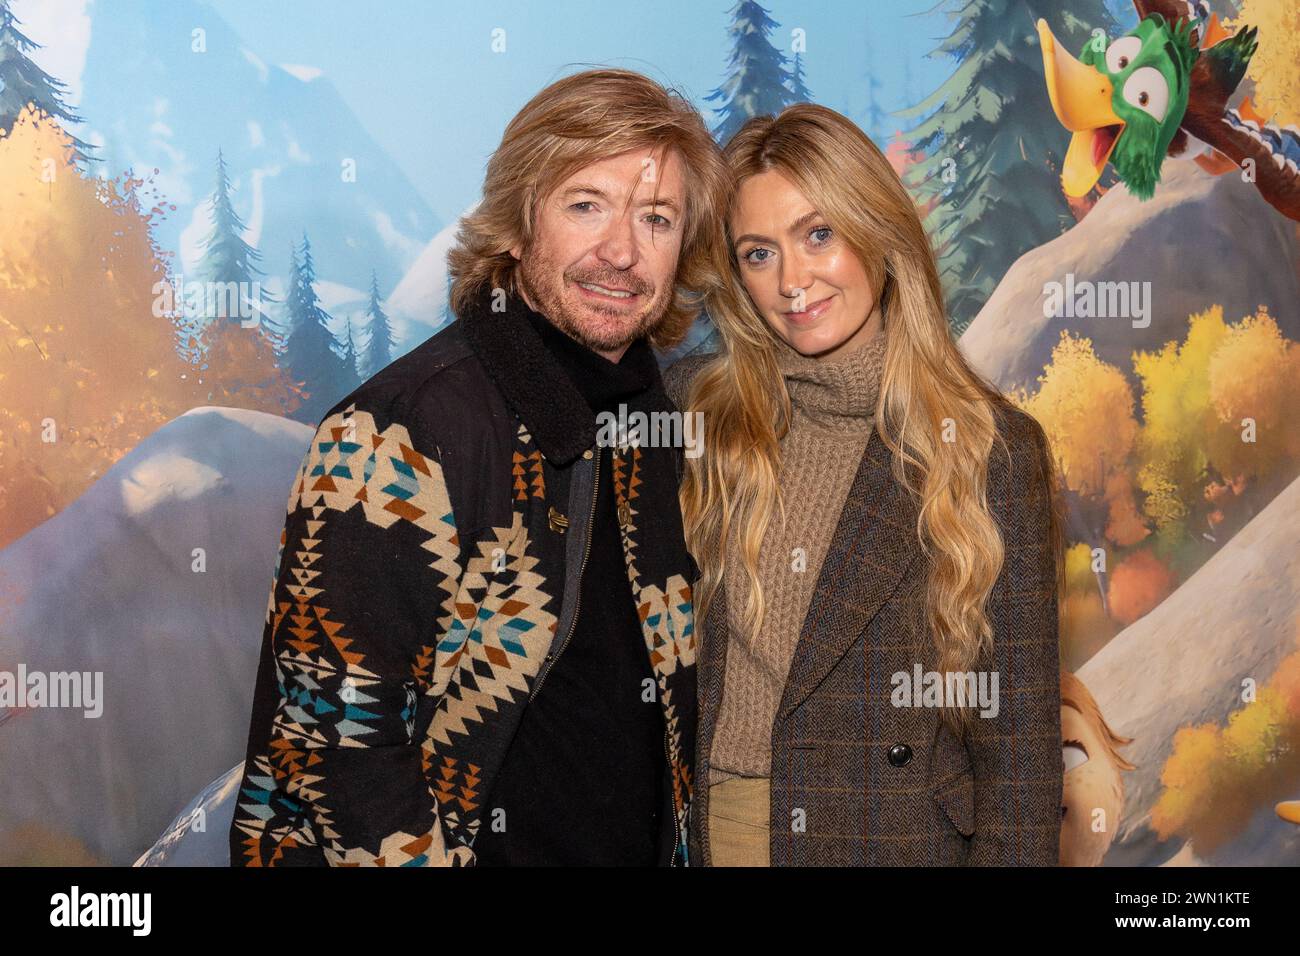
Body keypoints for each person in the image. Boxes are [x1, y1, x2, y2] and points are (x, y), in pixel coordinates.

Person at [229, 68, 728, 866]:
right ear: (517, 226)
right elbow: (335, 752)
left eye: (657, 218)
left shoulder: (656, 431)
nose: (623, 252)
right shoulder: (399, 431)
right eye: (586, 204)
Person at [663, 103, 1067, 866]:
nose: (792, 281)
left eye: (819, 234)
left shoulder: (990, 452)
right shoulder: (697, 415)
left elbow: (1021, 767)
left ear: (878, 229)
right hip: (718, 836)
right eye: (757, 252)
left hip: (894, 842)